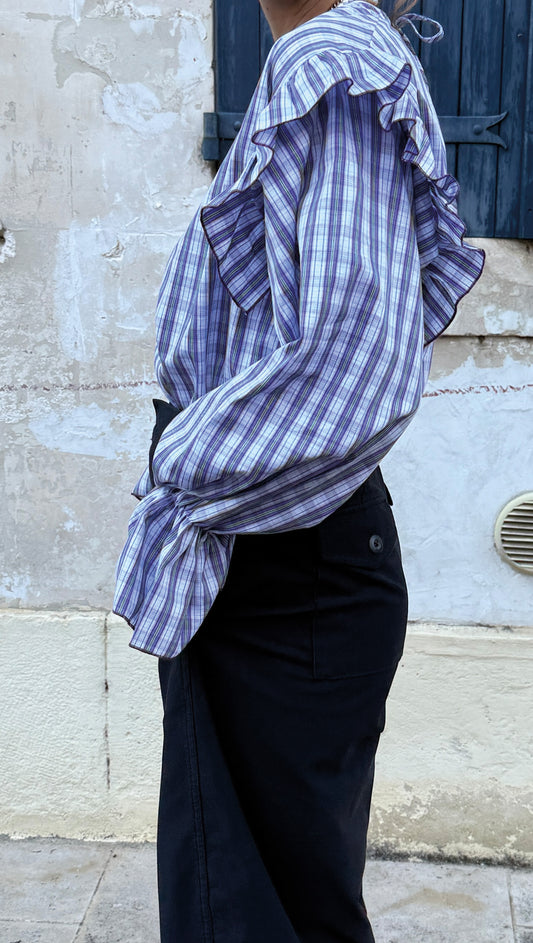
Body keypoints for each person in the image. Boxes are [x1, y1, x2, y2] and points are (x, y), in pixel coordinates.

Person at [113, 0, 485, 940]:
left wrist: (183, 475)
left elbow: (349, 364)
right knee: (261, 897)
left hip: (276, 551)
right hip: (277, 547)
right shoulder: (326, 63)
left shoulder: (332, 65)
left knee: (248, 908)